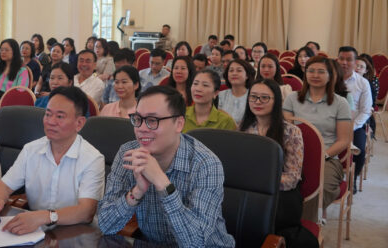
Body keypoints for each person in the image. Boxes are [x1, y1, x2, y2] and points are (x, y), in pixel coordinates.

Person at [97, 86, 234, 247]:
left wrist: (162, 183)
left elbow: (196, 243)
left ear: (179, 124)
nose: (141, 128)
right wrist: (137, 192)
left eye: (152, 120)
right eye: (138, 119)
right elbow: (105, 225)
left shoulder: (206, 164)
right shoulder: (128, 153)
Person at [0, 87, 105, 235]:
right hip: (34, 229)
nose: (51, 122)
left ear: (79, 123)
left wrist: (44, 217)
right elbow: (4, 186)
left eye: (60, 116)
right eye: (48, 114)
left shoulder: (93, 159)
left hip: (76, 233)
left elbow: (86, 212)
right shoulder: (30, 150)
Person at [240, 80, 311, 247]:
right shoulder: (243, 130)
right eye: (253, 97)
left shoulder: (291, 132)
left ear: (276, 101)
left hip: (281, 194)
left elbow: (292, 177)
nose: (257, 102)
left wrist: (261, 183)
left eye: (264, 98)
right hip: (249, 191)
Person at [282, 56, 351, 222]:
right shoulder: (292, 98)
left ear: (330, 76)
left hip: (327, 158)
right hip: (293, 155)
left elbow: (344, 140)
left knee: (321, 188)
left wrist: (323, 155)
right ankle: (291, 222)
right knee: (279, 185)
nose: (315, 75)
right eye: (311, 71)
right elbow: (287, 131)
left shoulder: (340, 103)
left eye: (321, 71)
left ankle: (307, 224)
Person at [338, 46, 372, 189]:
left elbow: (365, 111)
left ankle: (353, 177)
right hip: (330, 123)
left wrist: (352, 127)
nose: (344, 62)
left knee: (359, 150)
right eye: (341, 59)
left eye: (349, 59)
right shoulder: (330, 78)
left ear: (355, 61)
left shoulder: (362, 83)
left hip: (354, 124)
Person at [0, 39, 30, 107]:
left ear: (14, 52)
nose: (3, 52)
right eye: (1, 50)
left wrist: (1, 101)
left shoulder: (22, 71)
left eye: (6, 50)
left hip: (9, 103)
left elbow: (20, 92)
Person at [219, 59, 255, 124]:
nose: (234, 73)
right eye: (231, 71)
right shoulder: (220, 95)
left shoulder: (254, 96)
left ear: (247, 75)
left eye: (239, 70)